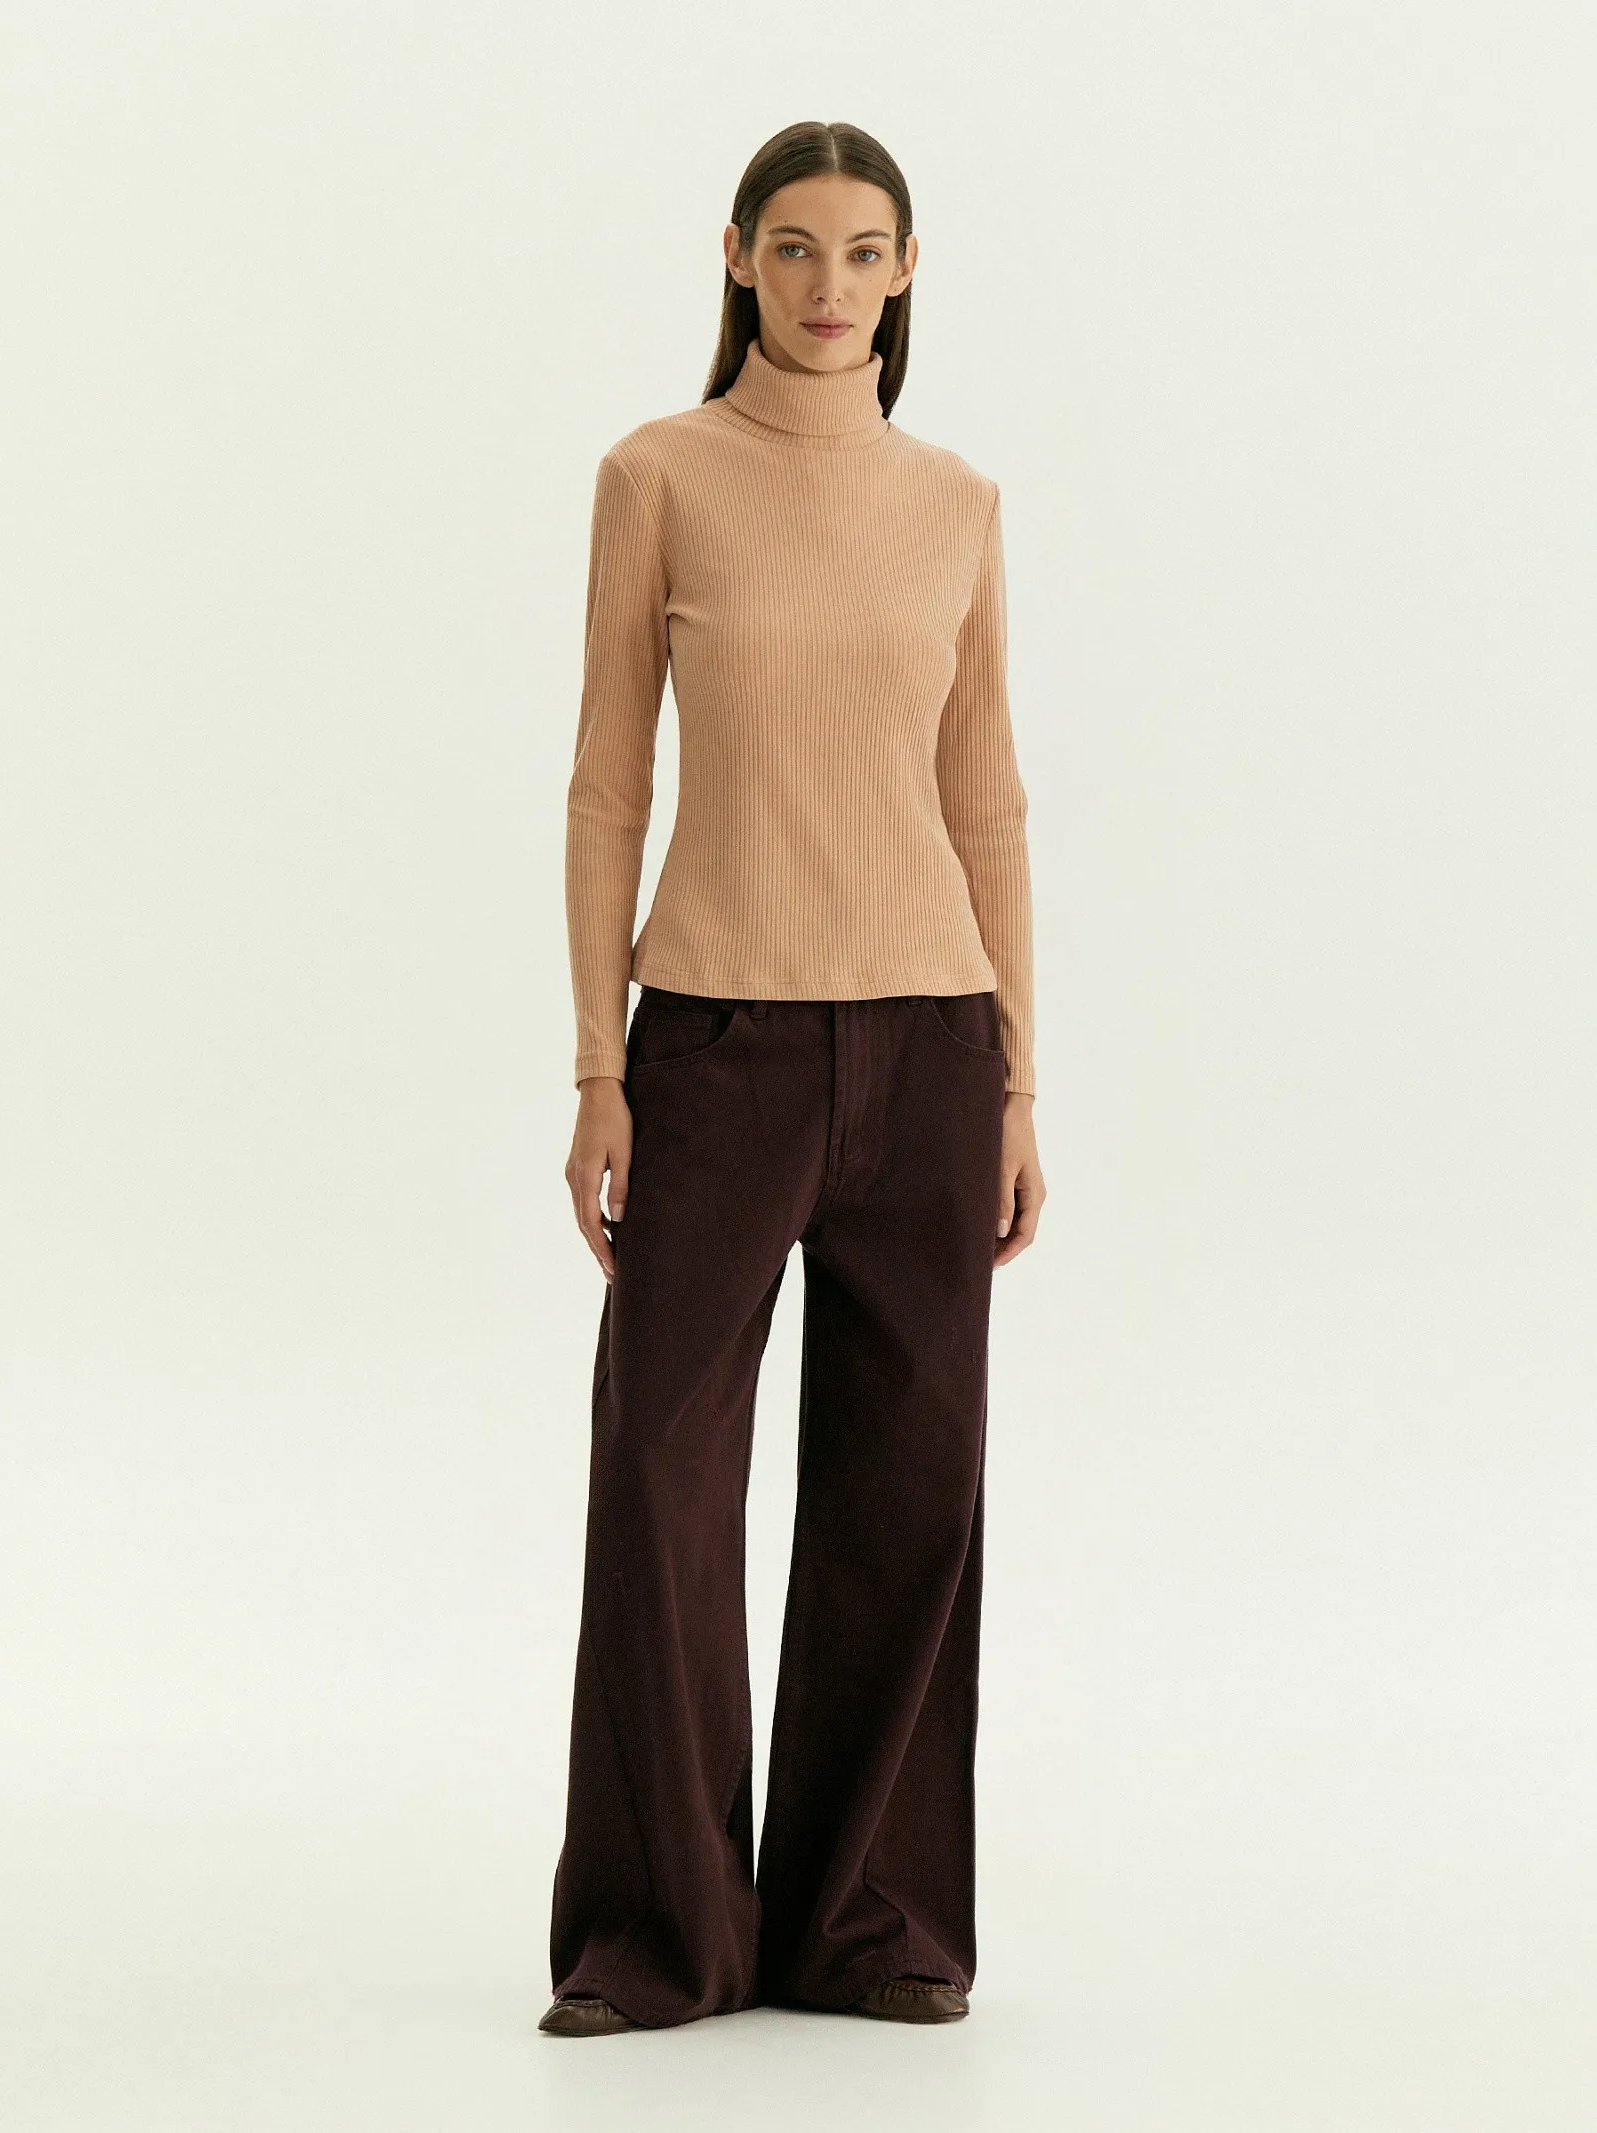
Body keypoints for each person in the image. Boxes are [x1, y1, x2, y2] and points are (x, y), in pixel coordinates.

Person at [540, 118, 1045, 2038]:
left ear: (907, 274)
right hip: (716, 1044)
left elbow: (988, 805)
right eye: (797, 248)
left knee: (911, 1490)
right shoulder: (659, 476)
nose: (832, 286)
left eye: (867, 252)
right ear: (740, 257)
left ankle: (867, 1923)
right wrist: (600, 1072)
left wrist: (1018, 1086)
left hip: (932, 1043)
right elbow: (609, 784)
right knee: (660, 1480)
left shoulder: (957, 504)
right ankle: (658, 1937)